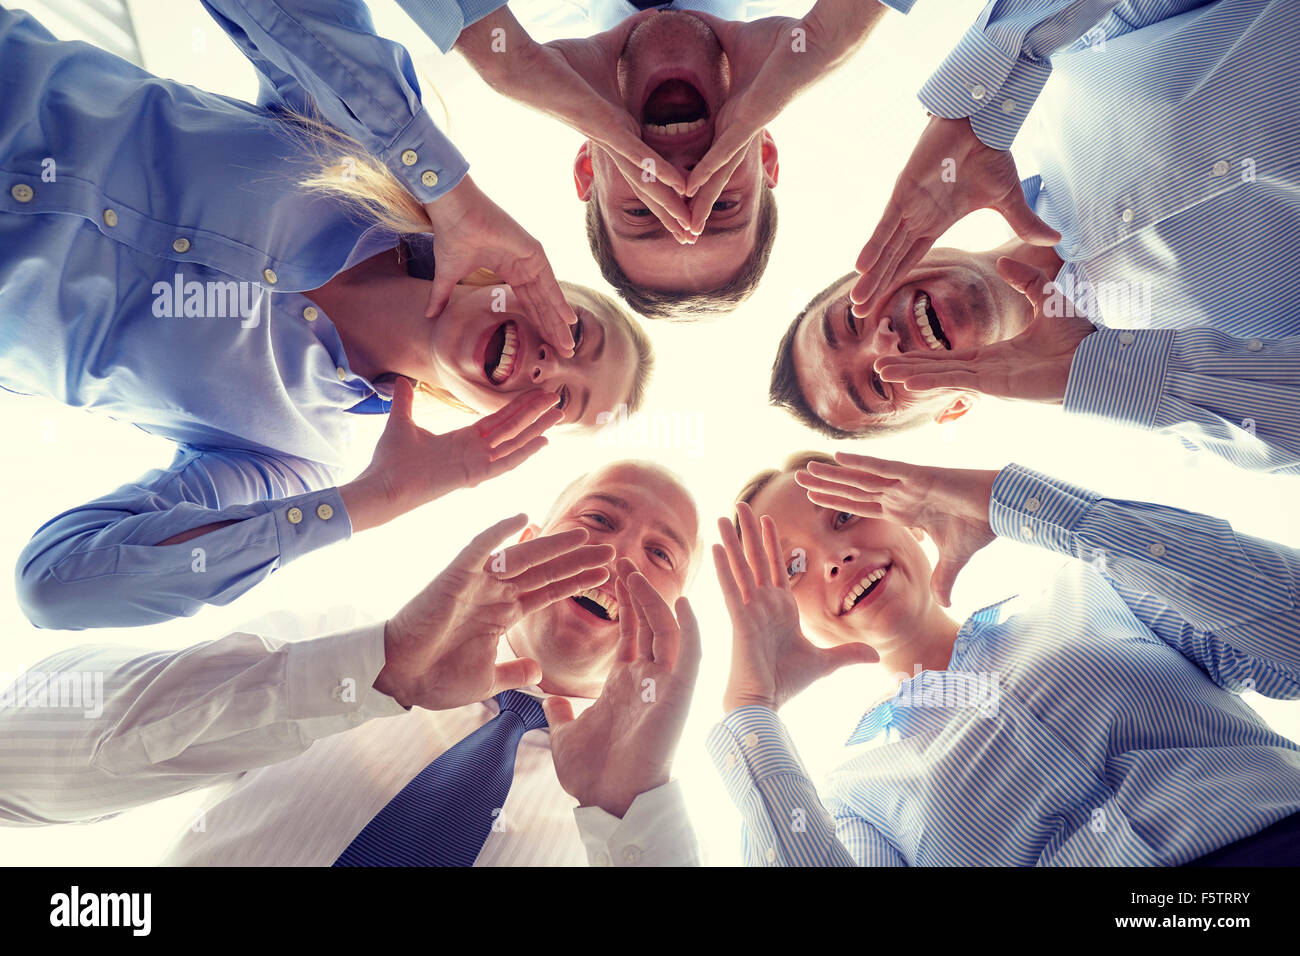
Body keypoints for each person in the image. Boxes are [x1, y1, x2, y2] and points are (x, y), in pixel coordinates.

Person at [1, 3, 653, 630]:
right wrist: (448, 192)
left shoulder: (294, 460)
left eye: (562, 402)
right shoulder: (373, 157)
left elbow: (54, 584)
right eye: (577, 334)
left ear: (510, 432)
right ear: (540, 279)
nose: (550, 363)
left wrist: (374, 501)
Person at [0, 461, 704, 867]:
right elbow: (14, 765)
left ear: (675, 609)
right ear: (531, 538)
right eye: (599, 520)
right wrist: (381, 672)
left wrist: (627, 813)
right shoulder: (328, 644)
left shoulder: (619, 828)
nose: (616, 557)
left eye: (661, 554)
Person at [771, 0, 1300, 475]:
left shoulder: (1076, 72)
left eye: (851, 318)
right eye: (880, 384)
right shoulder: (1191, 404)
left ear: (880, 264)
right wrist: (1094, 378)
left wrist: (972, 107)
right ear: (952, 408)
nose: (883, 341)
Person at [707, 449, 1300, 864]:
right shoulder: (855, 797)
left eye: (843, 515)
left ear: (905, 515)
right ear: (789, 618)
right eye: (792, 568)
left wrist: (1007, 500)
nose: (836, 557)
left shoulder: (1098, 588)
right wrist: (750, 709)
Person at [448, 1, 903, 319]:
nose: (682, 183)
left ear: (589, 168)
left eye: (642, 211)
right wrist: (826, 36)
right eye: (721, 205)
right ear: (765, 154)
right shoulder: (824, 19)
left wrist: (509, 59)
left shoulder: (489, 24)